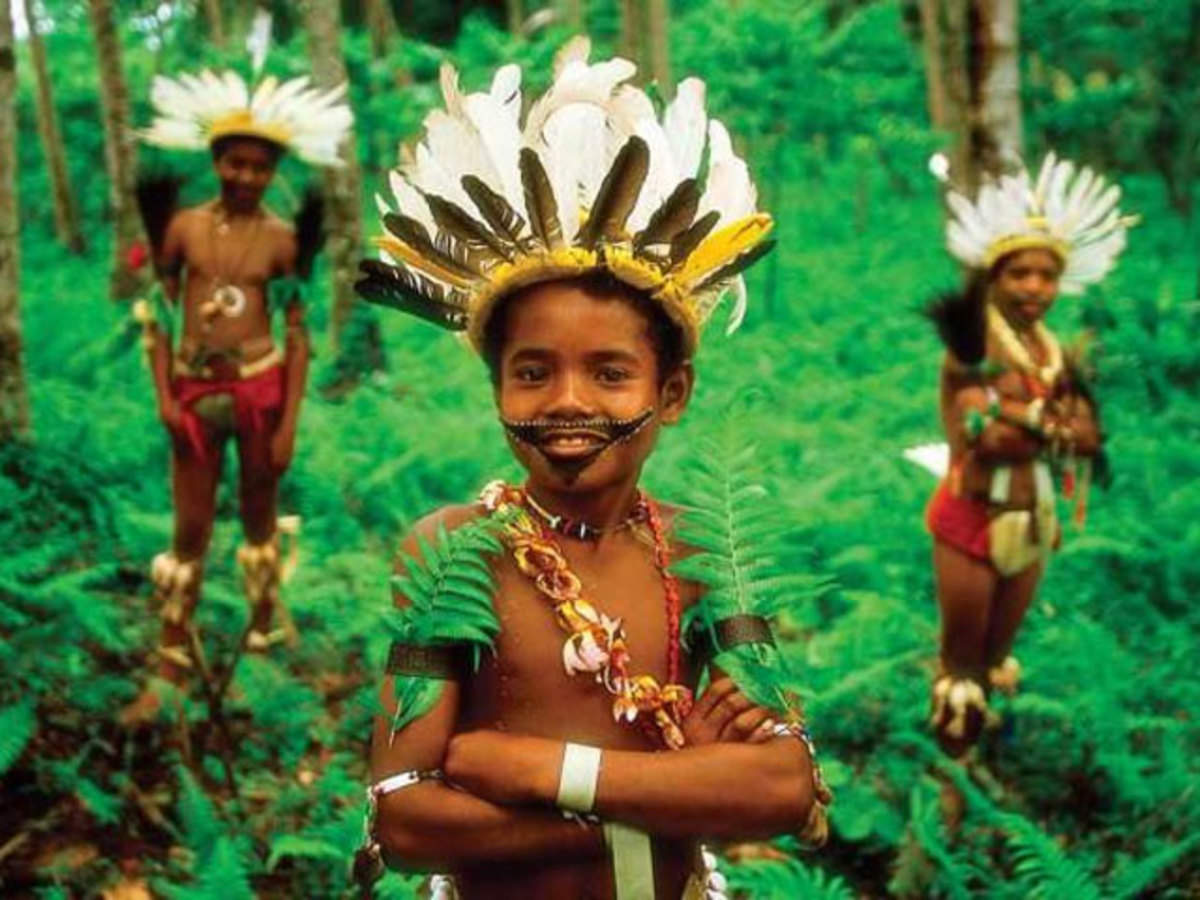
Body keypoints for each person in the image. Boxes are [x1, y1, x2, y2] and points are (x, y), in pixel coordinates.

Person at [353, 39, 831, 899]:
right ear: (499, 386)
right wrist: (680, 790)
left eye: (611, 373)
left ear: (671, 390)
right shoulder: (450, 554)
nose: (568, 402)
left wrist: (533, 768)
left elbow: (783, 788)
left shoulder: (705, 550)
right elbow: (403, 820)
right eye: (532, 371)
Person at [123, 69, 351, 721]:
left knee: (257, 518)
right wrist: (166, 395)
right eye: (234, 161)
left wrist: (287, 427)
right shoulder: (185, 230)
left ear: (275, 170)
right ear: (215, 160)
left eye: (259, 166)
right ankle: (170, 663)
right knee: (189, 526)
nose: (245, 175)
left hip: (259, 388)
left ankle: (259, 641)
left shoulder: (283, 241)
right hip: (196, 391)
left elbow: (300, 335)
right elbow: (159, 315)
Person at [924, 152, 1135, 756]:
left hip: (1033, 524)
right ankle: (949, 791)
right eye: (1021, 274)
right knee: (961, 666)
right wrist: (1048, 424)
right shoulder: (971, 348)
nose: (1036, 288)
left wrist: (1035, 421)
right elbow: (988, 438)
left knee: (995, 659)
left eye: (1047, 275)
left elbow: (1090, 435)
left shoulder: (1053, 353)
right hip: (971, 522)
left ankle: (986, 768)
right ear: (995, 277)